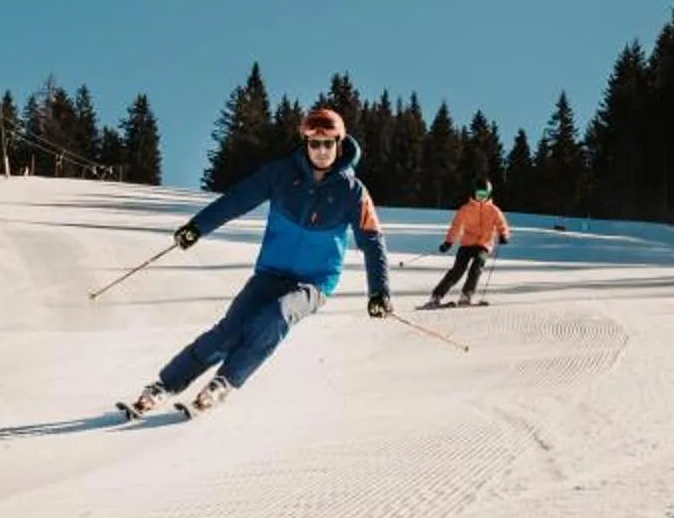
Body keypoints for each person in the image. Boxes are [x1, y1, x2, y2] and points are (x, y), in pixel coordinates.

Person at [123, 106, 392, 417]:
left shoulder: (353, 192)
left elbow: (373, 241)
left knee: (277, 316)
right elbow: (238, 199)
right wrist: (197, 227)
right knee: (228, 331)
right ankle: (163, 386)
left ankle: (225, 382)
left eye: (328, 143)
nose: (321, 151)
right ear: (305, 142)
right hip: (270, 273)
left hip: (314, 282)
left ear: (340, 144)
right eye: (314, 143)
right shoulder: (281, 174)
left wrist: (379, 293)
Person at [428, 181, 509, 308]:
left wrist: (504, 235)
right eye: (478, 194)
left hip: (483, 244)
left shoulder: (494, 210)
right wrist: (449, 241)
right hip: (467, 243)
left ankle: (466, 295)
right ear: (474, 193)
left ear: (488, 194)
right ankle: (436, 296)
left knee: (477, 267)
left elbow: (502, 224)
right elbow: (456, 227)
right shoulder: (465, 209)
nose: (480, 197)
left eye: (484, 194)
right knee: (458, 270)